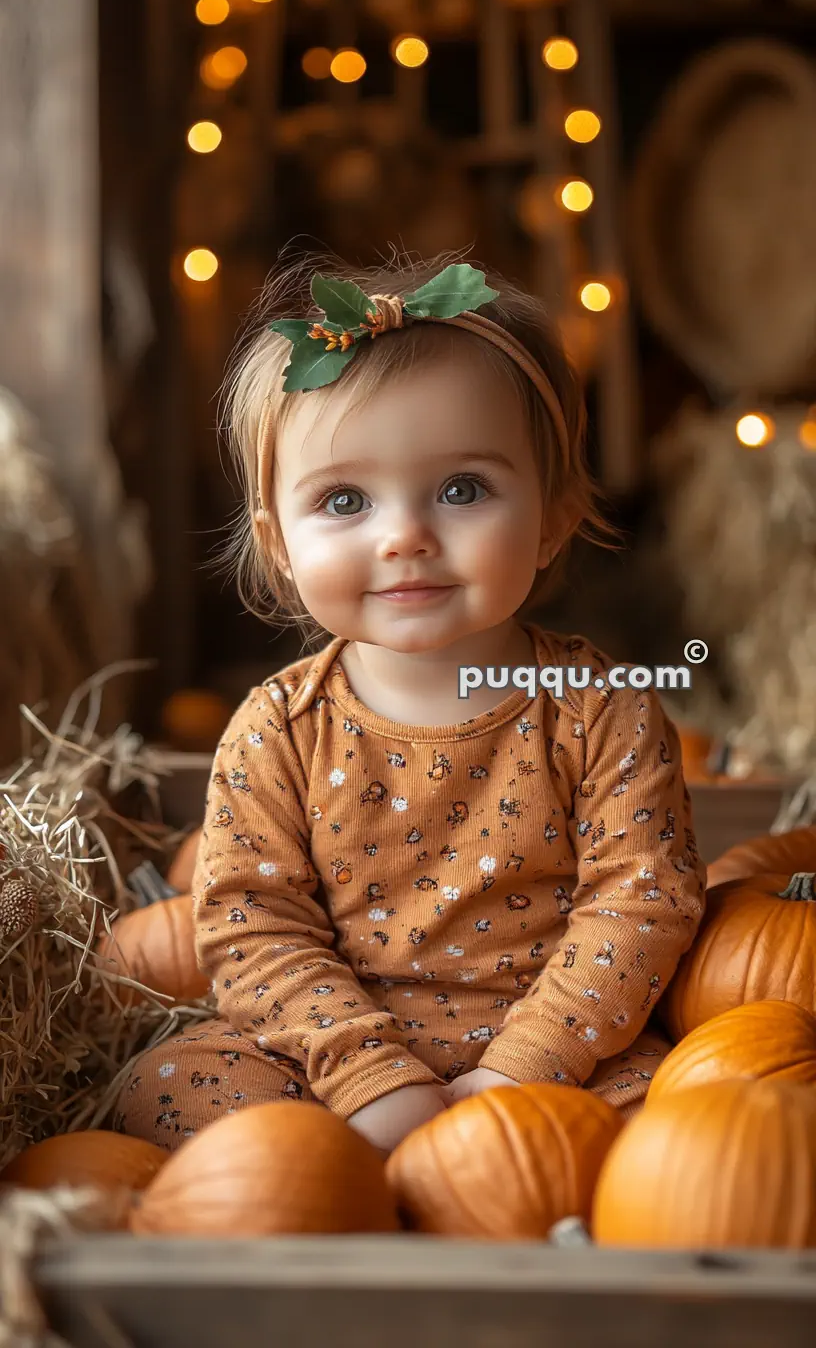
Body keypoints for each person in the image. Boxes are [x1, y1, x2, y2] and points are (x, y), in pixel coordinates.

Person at [113, 251, 705, 1155]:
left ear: (550, 514)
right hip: (335, 1062)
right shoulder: (276, 731)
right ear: (278, 544)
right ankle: (341, 1183)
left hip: (560, 1056)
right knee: (163, 1087)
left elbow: (643, 900)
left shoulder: (600, 710)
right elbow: (253, 928)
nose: (405, 537)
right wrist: (367, 1080)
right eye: (345, 499)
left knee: (693, 1120)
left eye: (462, 489)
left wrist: (522, 1070)